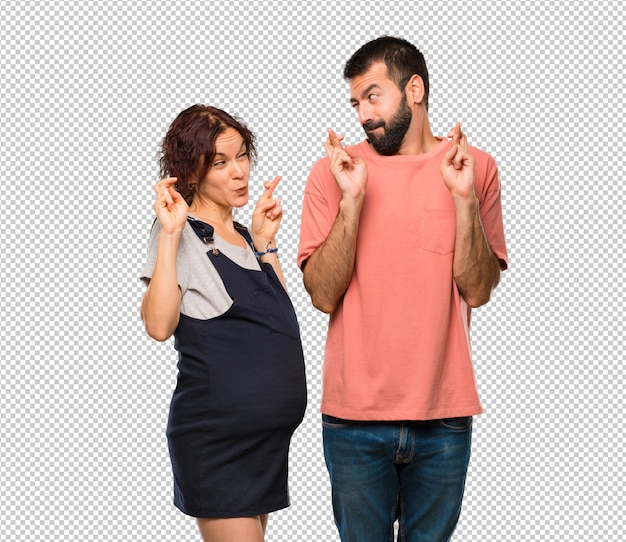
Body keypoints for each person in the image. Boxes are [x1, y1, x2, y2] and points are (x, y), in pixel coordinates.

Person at [297, 36, 508, 541]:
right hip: (353, 420)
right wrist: (351, 203)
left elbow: (478, 290)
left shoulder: (474, 167)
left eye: (373, 96)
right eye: (355, 103)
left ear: (414, 89)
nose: (362, 114)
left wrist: (462, 201)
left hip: (445, 419)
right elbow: (323, 295)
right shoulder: (335, 172)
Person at [140, 105, 307, 542]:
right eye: (220, 162)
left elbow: (280, 321)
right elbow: (158, 325)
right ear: (190, 174)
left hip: (265, 446)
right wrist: (171, 234)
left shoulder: (246, 236)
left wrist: (267, 244)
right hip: (217, 444)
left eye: (242, 156)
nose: (240, 172)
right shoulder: (180, 231)